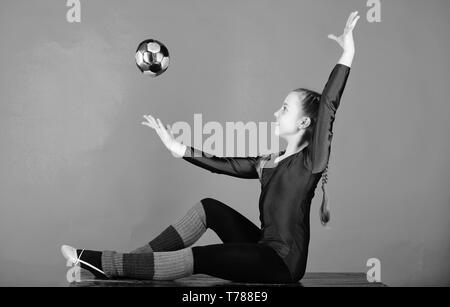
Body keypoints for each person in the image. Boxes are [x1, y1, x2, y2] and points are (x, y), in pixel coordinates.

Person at [61, 11, 360, 284]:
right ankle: (134, 260)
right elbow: (225, 163)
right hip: (262, 249)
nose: (276, 113)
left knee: (203, 257)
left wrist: (347, 54)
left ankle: (111, 263)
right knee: (210, 208)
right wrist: (180, 149)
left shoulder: (311, 162)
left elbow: (329, 105)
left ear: (306, 123)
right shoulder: (268, 161)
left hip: (282, 265)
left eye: (284, 108)